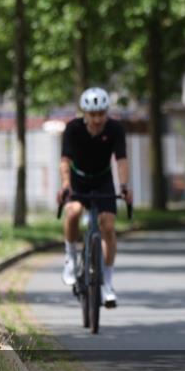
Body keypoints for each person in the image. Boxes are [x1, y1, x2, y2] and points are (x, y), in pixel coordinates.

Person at [58, 87, 133, 308]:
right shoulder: (72, 129)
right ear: (84, 114)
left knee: (108, 226)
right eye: (93, 114)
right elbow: (64, 160)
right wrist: (65, 185)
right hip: (78, 178)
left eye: (102, 113)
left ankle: (107, 283)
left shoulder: (115, 128)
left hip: (102, 180)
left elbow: (121, 160)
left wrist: (125, 186)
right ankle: (71, 258)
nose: (98, 119)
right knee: (72, 212)